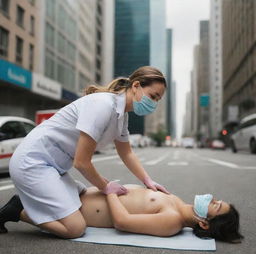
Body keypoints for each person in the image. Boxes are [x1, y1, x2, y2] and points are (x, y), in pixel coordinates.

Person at [6, 66, 170, 239]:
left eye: (158, 99)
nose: (154, 104)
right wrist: (105, 186)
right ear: (136, 86)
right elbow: (81, 162)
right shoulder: (103, 105)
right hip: (32, 163)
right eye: (153, 96)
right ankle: (18, 210)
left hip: (54, 167)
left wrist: (148, 180)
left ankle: (34, 208)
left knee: (84, 197)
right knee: (75, 228)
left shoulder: (122, 117)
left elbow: (127, 153)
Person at [0, 182, 243, 243]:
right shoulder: (177, 201)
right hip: (84, 192)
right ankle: (20, 204)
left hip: (80, 207)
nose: (212, 198)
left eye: (216, 205)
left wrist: (111, 192)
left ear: (204, 224)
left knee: (72, 230)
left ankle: (19, 211)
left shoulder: (173, 221)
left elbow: (123, 222)